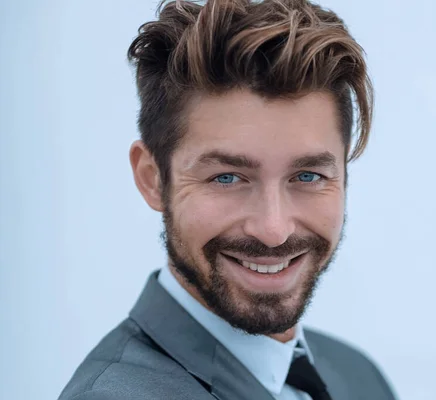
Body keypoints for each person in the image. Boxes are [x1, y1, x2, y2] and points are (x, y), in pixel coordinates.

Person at [59, 0, 397, 399]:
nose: (273, 230)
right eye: (227, 177)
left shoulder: (357, 377)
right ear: (152, 179)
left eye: (307, 176)